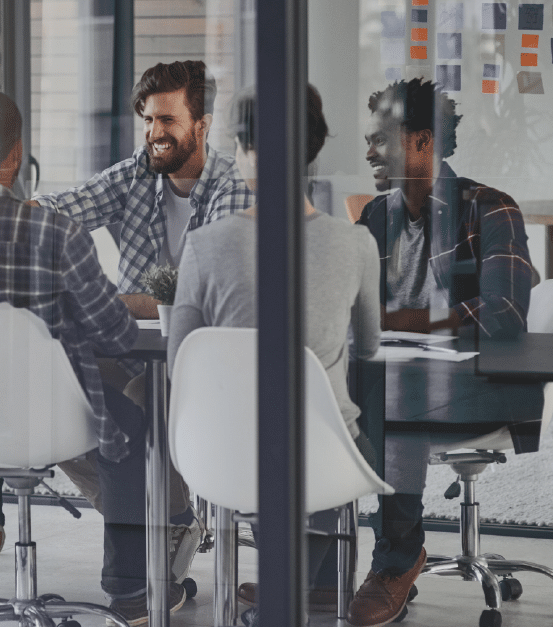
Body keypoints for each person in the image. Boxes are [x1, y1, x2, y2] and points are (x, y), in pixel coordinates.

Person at [0, 89, 187, 624]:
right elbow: (116, 335)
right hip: (52, 419)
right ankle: (130, 594)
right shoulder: (56, 233)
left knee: (2, 402)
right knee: (132, 423)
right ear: (17, 153)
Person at [166, 85, 382, 623]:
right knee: (349, 432)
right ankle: (306, 586)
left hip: (223, 456)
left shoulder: (203, 246)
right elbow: (371, 346)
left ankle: (285, 589)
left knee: (267, 444)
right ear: (313, 151)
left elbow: (180, 364)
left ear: (243, 149)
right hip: (323, 459)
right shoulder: (356, 244)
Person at [32, 59, 252, 576]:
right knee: (56, 392)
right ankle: (167, 518)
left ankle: (145, 543)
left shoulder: (230, 187)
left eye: (167, 121)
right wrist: (22, 210)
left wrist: (108, 300)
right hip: (135, 351)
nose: (155, 133)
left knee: (136, 405)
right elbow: (70, 206)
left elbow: (202, 298)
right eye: (148, 120)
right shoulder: (139, 172)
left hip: (207, 364)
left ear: (201, 125)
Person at [348, 78, 535, 627]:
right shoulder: (374, 220)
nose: (368, 152)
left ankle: (396, 561)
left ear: (422, 142)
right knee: (317, 384)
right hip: (390, 380)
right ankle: (314, 563)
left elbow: (504, 313)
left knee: (389, 385)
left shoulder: (490, 209)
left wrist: (404, 320)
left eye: (381, 139)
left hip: (476, 386)